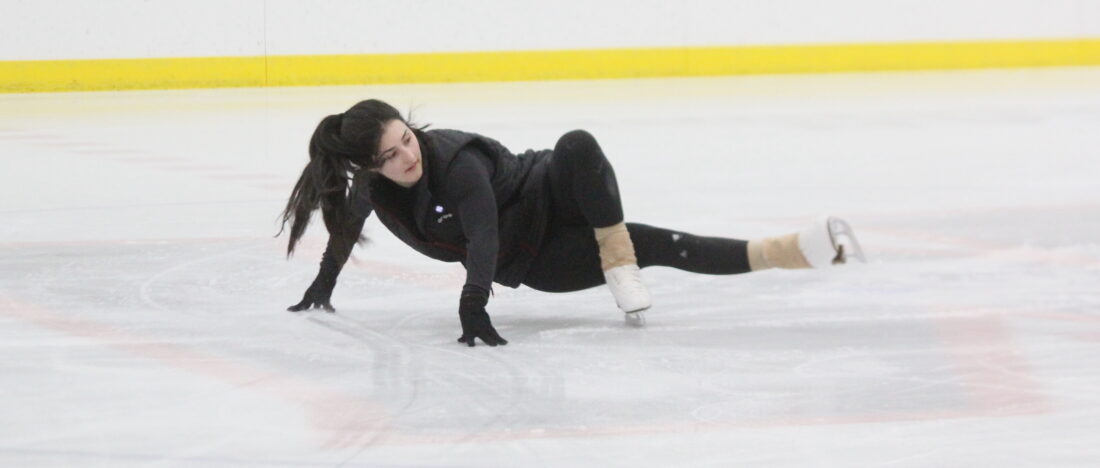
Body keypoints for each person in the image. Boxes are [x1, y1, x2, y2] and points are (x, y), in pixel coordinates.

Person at [280, 99, 864, 347]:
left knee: (578, 144)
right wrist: (322, 285)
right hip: (536, 259)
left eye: (407, 138)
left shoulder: (454, 163)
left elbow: (481, 231)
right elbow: (344, 232)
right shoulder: (371, 190)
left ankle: (618, 256)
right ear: (369, 167)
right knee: (659, 244)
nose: (408, 156)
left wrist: (472, 303)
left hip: (549, 189)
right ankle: (794, 250)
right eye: (390, 156)